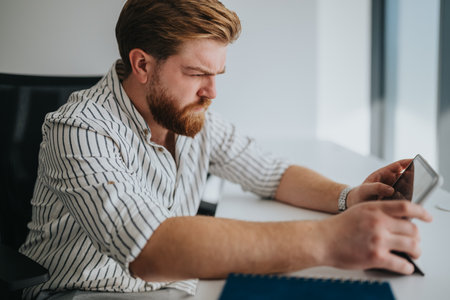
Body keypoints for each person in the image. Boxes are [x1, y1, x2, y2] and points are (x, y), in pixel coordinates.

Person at [19, 0, 432, 299]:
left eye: (217, 74)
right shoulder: (78, 129)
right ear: (142, 65)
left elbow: (271, 173)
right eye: (198, 73)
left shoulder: (190, 115)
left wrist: (348, 197)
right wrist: (329, 241)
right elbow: (150, 250)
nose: (212, 92)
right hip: (84, 292)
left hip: (177, 286)